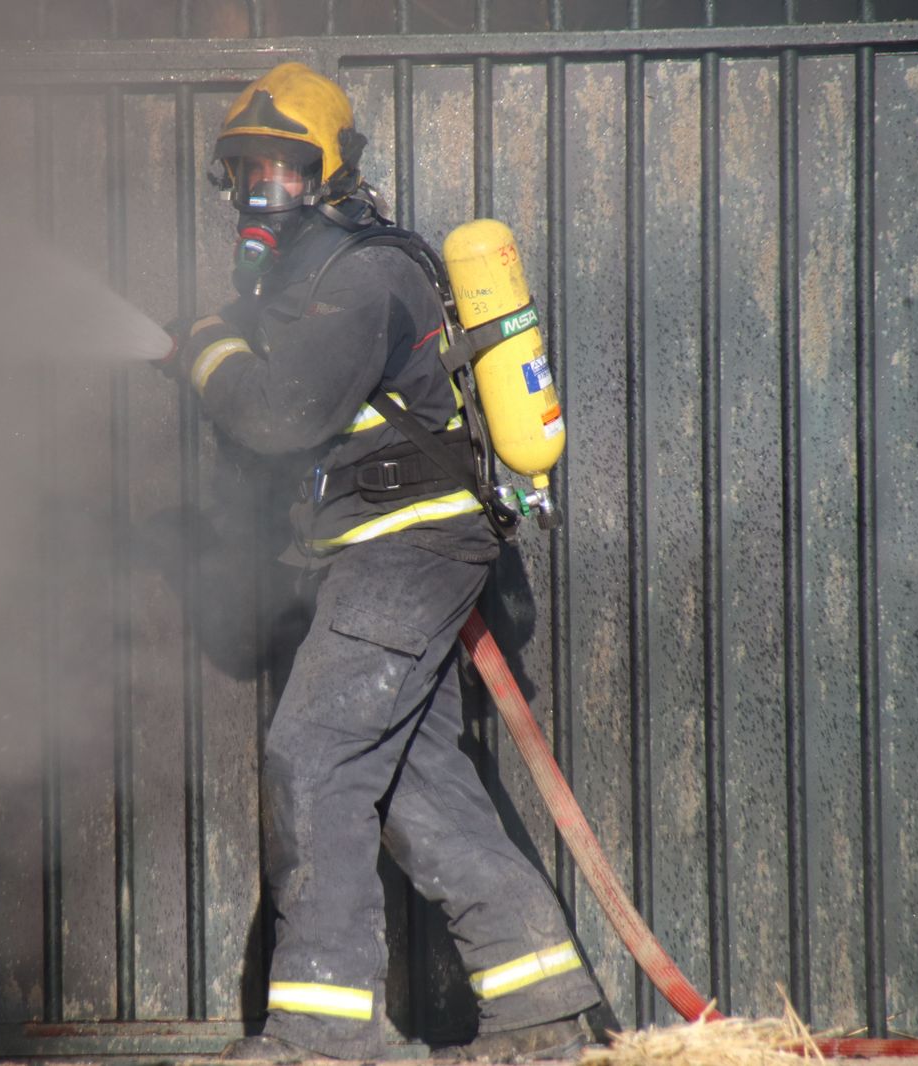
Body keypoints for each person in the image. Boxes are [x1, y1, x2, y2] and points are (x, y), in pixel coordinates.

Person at [159, 63, 601, 1062]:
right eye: (243, 169)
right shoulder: (309, 280)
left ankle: (322, 1036)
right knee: (416, 787)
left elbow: (281, 416)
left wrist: (207, 355)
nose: (259, 190)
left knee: (312, 757)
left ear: (329, 173)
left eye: (281, 166)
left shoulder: (364, 271)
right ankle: (545, 1017)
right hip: (391, 549)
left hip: (403, 550)